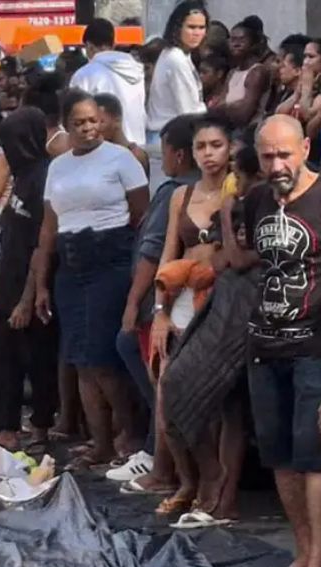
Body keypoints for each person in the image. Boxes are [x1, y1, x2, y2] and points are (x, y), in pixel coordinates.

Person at [235, 115, 321, 567]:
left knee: (315, 457)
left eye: (285, 154)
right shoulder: (257, 200)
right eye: (267, 156)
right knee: (280, 456)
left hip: (318, 346)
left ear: (306, 147)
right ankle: (302, 554)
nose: (277, 165)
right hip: (265, 346)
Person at [34, 90, 150, 470]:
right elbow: (49, 227)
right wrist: (40, 283)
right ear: (65, 126)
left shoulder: (121, 160)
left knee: (102, 356)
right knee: (79, 358)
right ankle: (99, 442)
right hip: (70, 262)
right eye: (79, 122)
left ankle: (129, 433)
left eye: (93, 120)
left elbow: (141, 216)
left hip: (109, 258)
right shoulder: (58, 167)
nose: (88, 128)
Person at [149, 115, 244, 521]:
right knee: (168, 395)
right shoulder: (180, 196)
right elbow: (169, 254)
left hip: (223, 302)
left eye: (216, 146)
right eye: (202, 146)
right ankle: (191, 478)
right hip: (182, 299)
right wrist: (159, 312)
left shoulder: (239, 193)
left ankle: (220, 489)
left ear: (230, 149)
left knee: (223, 404)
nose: (209, 154)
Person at [113, 113, 200, 490]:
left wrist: (136, 303)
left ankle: (154, 453)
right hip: (179, 298)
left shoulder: (175, 193)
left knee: (151, 367)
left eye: (164, 151)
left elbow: (153, 254)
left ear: (178, 155)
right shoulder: (193, 190)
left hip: (166, 298)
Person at [0, 107, 59, 452]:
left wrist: (27, 299)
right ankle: (7, 425)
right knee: (2, 355)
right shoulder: (22, 176)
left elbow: (41, 244)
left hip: (28, 284)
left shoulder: (43, 179)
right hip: (7, 277)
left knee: (37, 357)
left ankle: (41, 424)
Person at [147, 0, 208, 178]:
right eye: (191, 27)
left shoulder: (181, 56)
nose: (197, 33)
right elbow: (188, 111)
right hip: (170, 141)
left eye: (201, 27)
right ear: (177, 27)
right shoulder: (176, 59)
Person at [71, 18, 147, 147]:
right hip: (138, 144)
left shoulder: (85, 74)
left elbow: (75, 115)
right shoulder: (136, 70)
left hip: (105, 148)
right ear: (113, 44)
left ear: (89, 46)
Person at [218, 17, 273, 128]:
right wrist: (233, 105)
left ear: (253, 43)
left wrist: (226, 107)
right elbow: (219, 105)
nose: (236, 44)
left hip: (248, 130)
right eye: (233, 40)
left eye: (241, 40)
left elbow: (244, 114)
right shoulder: (232, 73)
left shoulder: (257, 72)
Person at [96, 93, 151, 176]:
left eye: (101, 122)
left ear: (117, 120)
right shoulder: (95, 153)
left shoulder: (135, 156)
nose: (94, 127)